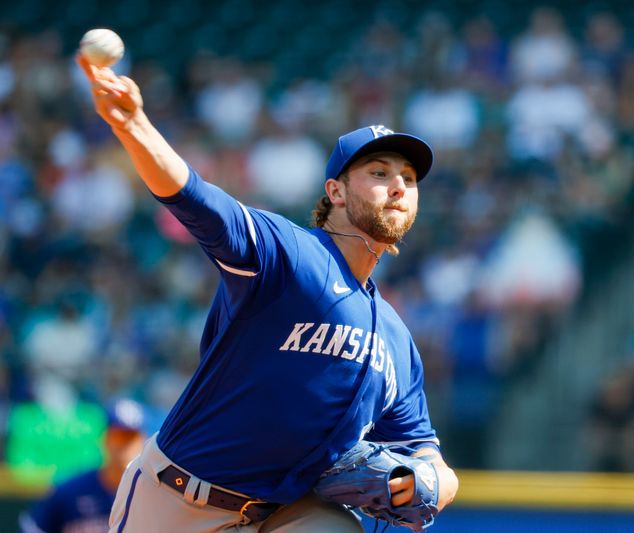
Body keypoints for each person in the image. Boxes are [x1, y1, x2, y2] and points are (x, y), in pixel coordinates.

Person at [76, 53, 458, 533]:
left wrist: (419, 479)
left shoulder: (397, 340)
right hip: (178, 501)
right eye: (379, 173)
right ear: (335, 193)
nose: (398, 186)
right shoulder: (289, 254)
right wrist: (134, 125)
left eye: (408, 178)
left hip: (283, 514)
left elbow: (430, 457)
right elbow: (196, 199)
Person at [19, 399, 147, 533]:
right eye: (118, 437)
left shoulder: (153, 494)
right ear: (105, 439)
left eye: (130, 438)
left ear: (143, 440)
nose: (125, 447)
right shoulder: (69, 492)